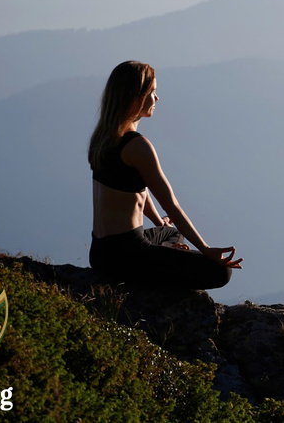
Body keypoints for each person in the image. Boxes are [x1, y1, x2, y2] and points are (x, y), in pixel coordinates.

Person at [88, 60, 242, 289]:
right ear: (136, 97)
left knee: (171, 234)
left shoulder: (103, 138)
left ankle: (163, 251)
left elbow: (138, 188)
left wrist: (159, 222)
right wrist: (206, 250)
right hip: (126, 255)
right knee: (222, 272)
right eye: (152, 92)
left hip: (101, 251)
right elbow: (171, 204)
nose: (156, 99)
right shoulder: (138, 146)